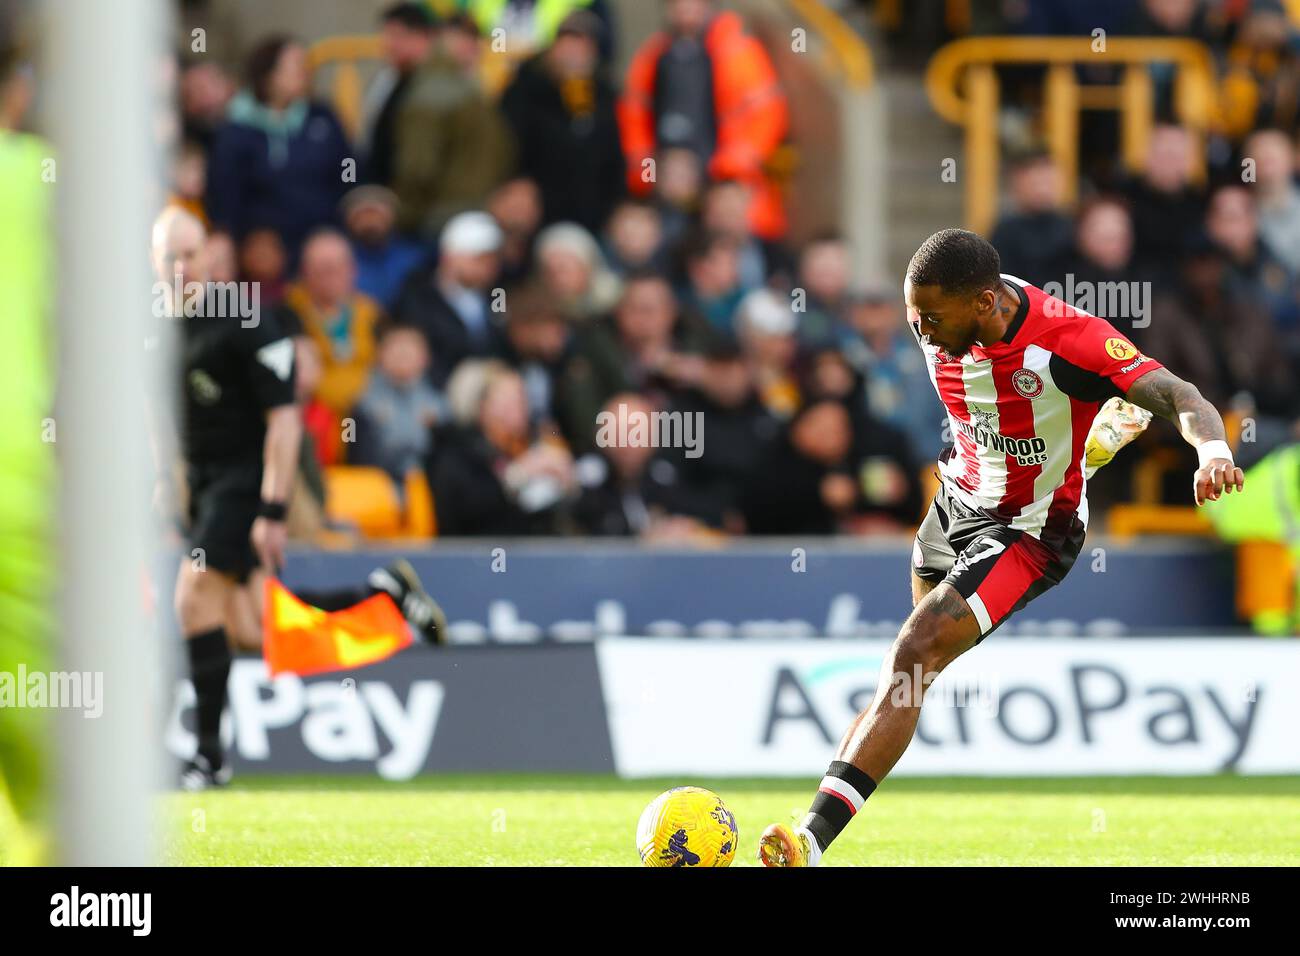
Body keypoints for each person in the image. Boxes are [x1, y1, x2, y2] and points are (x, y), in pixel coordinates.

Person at [758, 228, 1245, 866]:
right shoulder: (944, 318)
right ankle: (1088, 448)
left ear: (985, 302)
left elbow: (1183, 397)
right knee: (908, 674)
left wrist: (1212, 451)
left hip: (1031, 531)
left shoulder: (1070, 341)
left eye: (932, 318)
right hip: (954, 502)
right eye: (914, 316)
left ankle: (810, 841)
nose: (922, 331)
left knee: (915, 650)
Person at [148, 208, 446, 790]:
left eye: (188, 255)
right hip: (203, 486)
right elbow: (154, 407)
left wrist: (273, 509)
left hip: (245, 480)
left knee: (191, 599)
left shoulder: (244, 320)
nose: (179, 268)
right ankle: (382, 595)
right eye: (167, 257)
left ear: (209, 257)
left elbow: (284, 422)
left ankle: (208, 758)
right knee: (252, 629)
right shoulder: (148, 324)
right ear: (151, 262)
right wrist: (167, 479)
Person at [619, 0, 789, 240]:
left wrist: (724, 169)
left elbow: (768, 114)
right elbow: (634, 116)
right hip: (666, 186)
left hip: (724, 180)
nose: (685, 9)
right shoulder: (654, 55)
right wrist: (651, 175)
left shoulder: (738, 51)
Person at [205, 35, 351, 266]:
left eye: (306, 65)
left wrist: (355, 204)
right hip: (263, 249)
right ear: (268, 76)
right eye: (295, 66)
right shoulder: (236, 130)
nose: (305, 72)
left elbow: (348, 168)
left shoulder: (323, 118)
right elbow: (225, 193)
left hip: (323, 239)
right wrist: (230, 235)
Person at [499, 10, 625, 233]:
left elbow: (614, 158)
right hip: (537, 216)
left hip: (593, 217)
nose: (573, 54)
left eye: (582, 46)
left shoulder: (605, 97)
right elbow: (507, 147)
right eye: (567, 43)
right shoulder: (524, 88)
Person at [393, 210, 506, 386]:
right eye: (480, 259)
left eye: (493, 259)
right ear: (450, 257)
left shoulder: (496, 294)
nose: (489, 266)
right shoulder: (418, 297)